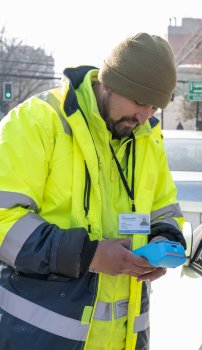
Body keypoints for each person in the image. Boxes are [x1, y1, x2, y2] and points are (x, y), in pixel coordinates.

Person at [0, 32, 186, 350]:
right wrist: (91, 256)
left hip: (125, 340)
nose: (145, 116)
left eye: (154, 106)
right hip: (38, 337)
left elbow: (163, 209)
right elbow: (4, 221)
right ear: (108, 83)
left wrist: (163, 240)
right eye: (140, 101)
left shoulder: (146, 137)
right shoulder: (37, 122)